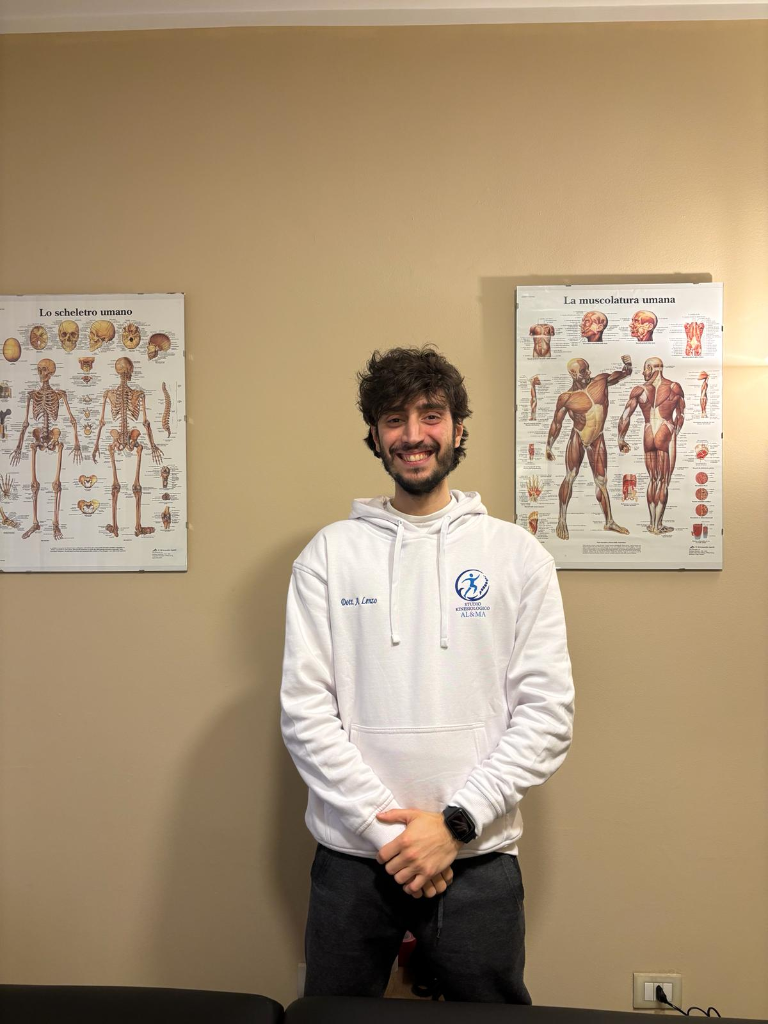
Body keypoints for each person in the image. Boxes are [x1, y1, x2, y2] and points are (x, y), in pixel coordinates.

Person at [280, 346, 574, 1003]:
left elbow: (547, 715)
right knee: (333, 1023)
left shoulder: (518, 556)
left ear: (458, 428)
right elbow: (305, 714)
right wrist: (395, 838)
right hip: (354, 859)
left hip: (477, 857)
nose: (413, 434)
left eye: (431, 415)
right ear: (375, 435)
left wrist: (454, 826)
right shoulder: (329, 555)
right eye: (394, 419)